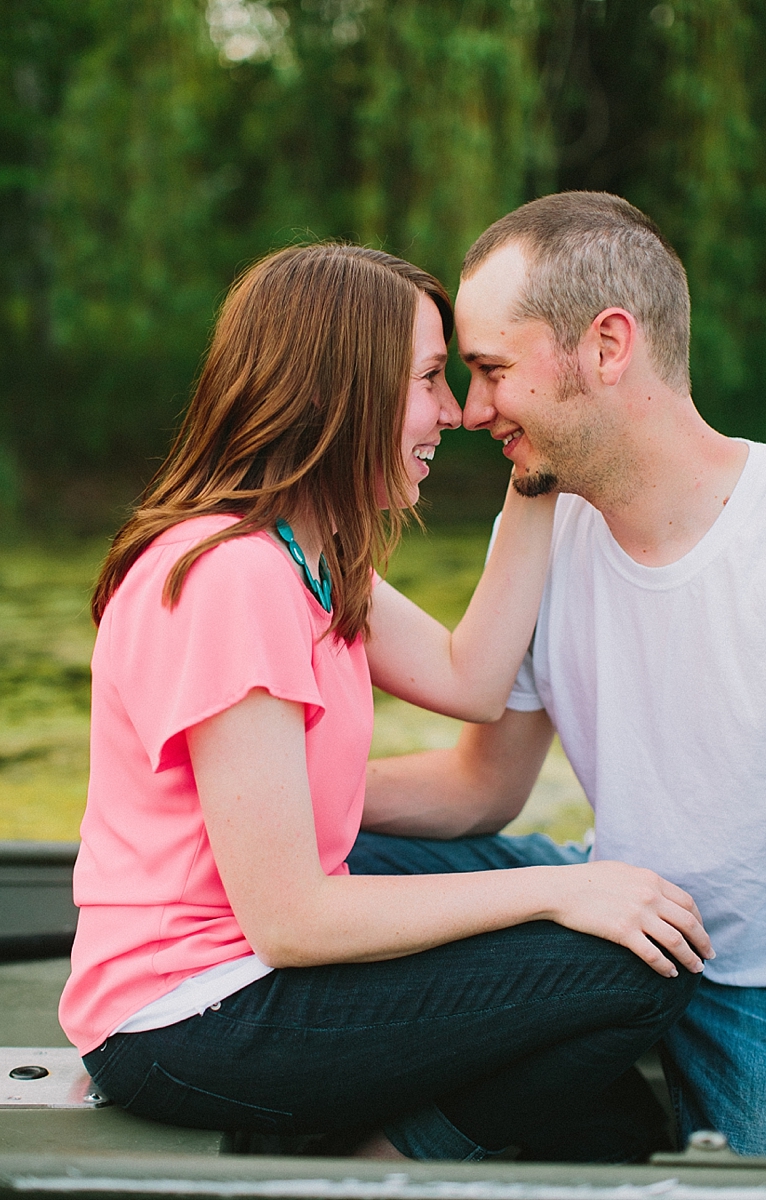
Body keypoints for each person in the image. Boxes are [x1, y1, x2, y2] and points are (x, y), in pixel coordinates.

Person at [59, 242, 708, 1164]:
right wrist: (566, 889)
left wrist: (539, 468)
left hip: (252, 970)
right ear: (341, 391)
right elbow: (292, 921)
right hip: (190, 1015)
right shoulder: (231, 576)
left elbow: (471, 682)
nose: (456, 412)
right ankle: (387, 1162)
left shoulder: (312, 556)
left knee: (609, 1121)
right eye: (432, 379)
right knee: (629, 970)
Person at [361, 193, 766, 1156]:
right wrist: (278, 800)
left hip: (748, 982)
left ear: (607, 345)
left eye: (493, 369)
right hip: (603, 913)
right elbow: (481, 788)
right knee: (318, 867)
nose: (469, 409)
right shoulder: (541, 524)